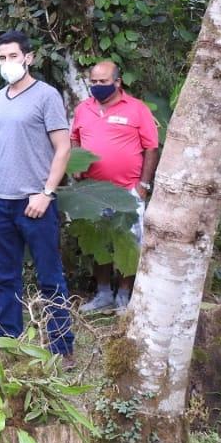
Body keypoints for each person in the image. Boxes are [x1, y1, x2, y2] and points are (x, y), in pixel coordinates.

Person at [0, 31, 75, 362]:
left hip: (35, 203)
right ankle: (6, 339)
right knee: (6, 277)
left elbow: (63, 148)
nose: (7, 63)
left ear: (29, 57)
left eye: (13, 56)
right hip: (0, 202)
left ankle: (61, 346)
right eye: (2, 58)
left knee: (50, 277)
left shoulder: (46, 96)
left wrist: (46, 194)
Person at [70, 60, 159, 312]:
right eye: (94, 82)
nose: (97, 86)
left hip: (128, 191)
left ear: (118, 82)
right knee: (99, 243)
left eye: (103, 82)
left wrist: (143, 185)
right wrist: (77, 164)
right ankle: (103, 294)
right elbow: (74, 138)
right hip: (93, 192)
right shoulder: (83, 109)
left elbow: (151, 148)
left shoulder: (137, 109)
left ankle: (124, 295)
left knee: (129, 244)